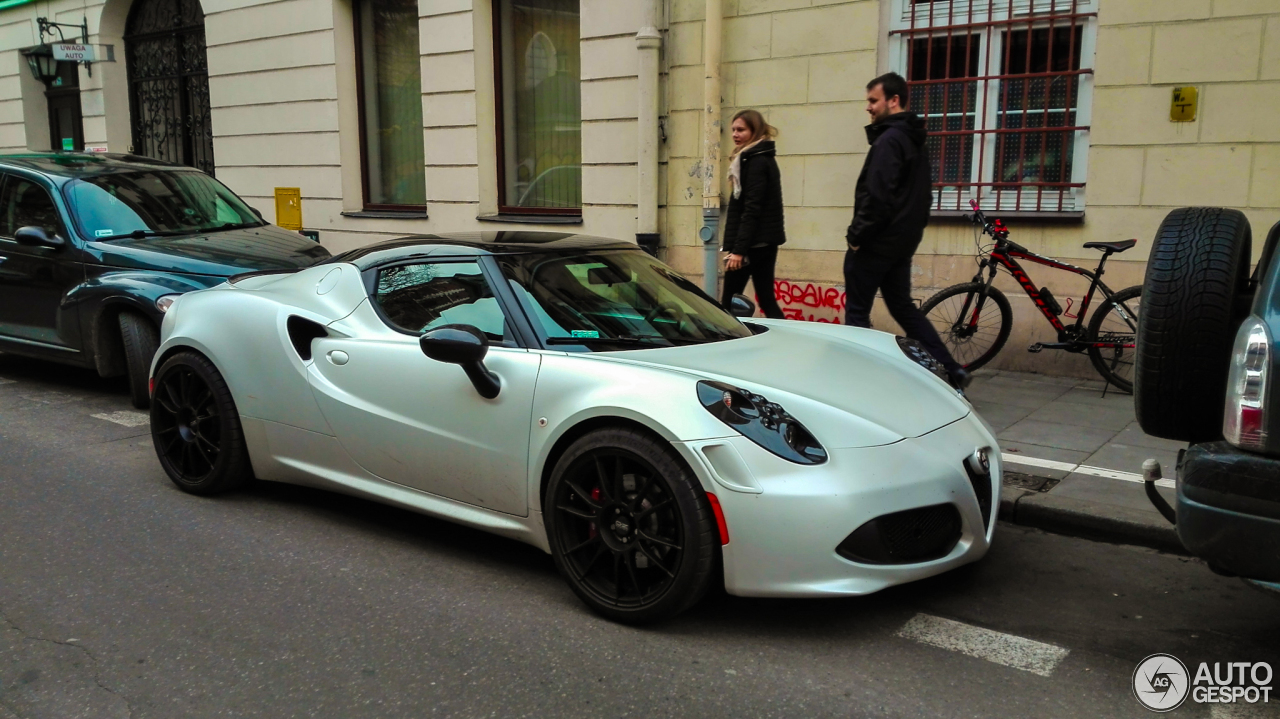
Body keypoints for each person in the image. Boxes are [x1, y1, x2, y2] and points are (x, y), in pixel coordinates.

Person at [844, 72, 969, 389]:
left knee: (857, 314)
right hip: (901, 242)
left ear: (893, 100)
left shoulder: (890, 140)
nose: (869, 108)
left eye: (873, 101)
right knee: (903, 308)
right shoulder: (913, 138)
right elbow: (922, 197)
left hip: (875, 242)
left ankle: (857, 383)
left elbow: (878, 196)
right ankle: (952, 370)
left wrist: (857, 237)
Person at [720, 109, 785, 319]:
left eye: (741, 130)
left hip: (752, 246)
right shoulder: (752, 158)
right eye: (733, 130)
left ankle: (726, 343)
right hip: (760, 243)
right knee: (766, 299)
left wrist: (738, 251)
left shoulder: (756, 162)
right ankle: (786, 339)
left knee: (728, 302)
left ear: (754, 131)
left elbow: (751, 209)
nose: (735, 134)